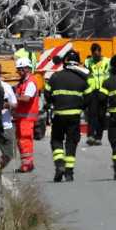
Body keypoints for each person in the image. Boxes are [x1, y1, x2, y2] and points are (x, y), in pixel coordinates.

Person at [45, 51, 92, 183]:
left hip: (59, 115)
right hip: (74, 116)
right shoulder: (82, 79)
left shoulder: (55, 77)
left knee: (56, 141)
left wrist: (54, 103)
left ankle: (59, 164)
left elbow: (47, 94)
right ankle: (69, 172)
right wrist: (80, 107)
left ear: (64, 62)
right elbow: (88, 98)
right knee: (71, 143)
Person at [13, 64, 41, 173]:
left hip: (27, 117)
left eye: (20, 70)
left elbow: (26, 98)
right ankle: (26, 163)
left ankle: (27, 164)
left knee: (25, 140)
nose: (18, 72)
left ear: (26, 69)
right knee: (21, 141)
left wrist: (14, 98)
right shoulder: (22, 83)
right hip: (21, 117)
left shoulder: (30, 83)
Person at [84, 44, 110, 146]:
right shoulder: (88, 62)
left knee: (101, 115)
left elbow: (109, 76)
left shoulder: (107, 62)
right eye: (94, 54)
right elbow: (85, 76)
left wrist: (106, 90)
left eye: (98, 54)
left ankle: (98, 137)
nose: (96, 56)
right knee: (92, 114)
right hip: (92, 91)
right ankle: (91, 136)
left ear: (100, 52)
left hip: (103, 91)